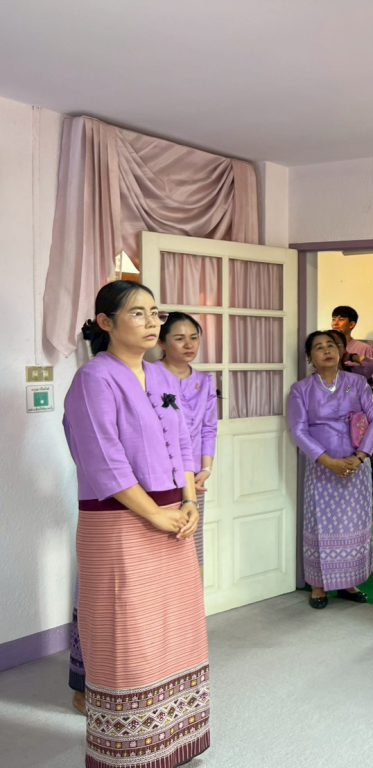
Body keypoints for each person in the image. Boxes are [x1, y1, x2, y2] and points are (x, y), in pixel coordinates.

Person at [63, 280, 210, 768]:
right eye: (138, 313)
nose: (152, 323)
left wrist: (189, 502)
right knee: (128, 634)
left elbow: (184, 444)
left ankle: (171, 741)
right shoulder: (93, 379)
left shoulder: (163, 377)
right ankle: (129, 751)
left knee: (175, 627)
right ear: (106, 323)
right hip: (120, 525)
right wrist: (154, 514)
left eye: (155, 313)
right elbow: (104, 460)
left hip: (174, 520)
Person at [288, 331, 373, 608]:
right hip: (321, 467)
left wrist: (361, 456)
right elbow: (298, 430)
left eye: (331, 345)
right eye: (319, 347)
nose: (327, 350)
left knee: (353, 523)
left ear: (340, 351)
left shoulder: (357, 383)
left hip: (356, 465)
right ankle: (318, 585)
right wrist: (328, 461)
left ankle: (349, 582)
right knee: (320, 525)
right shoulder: (301, 389)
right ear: (310, 357)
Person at [159, 312, 218, 566]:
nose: (189, 345)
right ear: (161, 342)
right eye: (179, 338)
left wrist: (205, 469)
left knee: (191, 540)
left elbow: (209, 428)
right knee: (160, 542)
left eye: (194, 338)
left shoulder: (205, 381)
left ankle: (192, 591)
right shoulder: (149, 375)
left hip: (192, 476)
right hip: (159, 473)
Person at [331, 305, 373, 386]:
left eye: (341, 319)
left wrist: (365, 380)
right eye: (333, 319)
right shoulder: (326, 347)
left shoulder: (364, 348)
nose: (335, 323)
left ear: (351, 324)